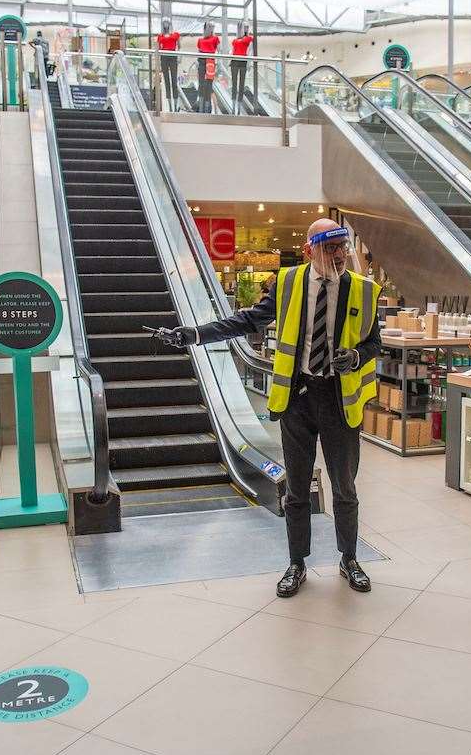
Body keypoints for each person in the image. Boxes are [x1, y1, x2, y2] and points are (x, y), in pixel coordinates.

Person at [151, 220, 381, 598]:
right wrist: (194, 335)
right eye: (330, 248)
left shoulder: (365, 290)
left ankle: (349, 558)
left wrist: (356, 356)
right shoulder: (289, 283)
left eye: (342, 247)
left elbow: (374, 343)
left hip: (340, 401)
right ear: (309, 251)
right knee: (296, 488)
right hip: (297, 399)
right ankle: (297, 563)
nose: (339, 255)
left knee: (344, 487)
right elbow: (247, 320)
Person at [230, 23, 254, 114]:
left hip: (243, 61)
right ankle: (233, 106)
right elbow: (232, 50)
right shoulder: (235, 40)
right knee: (234, 83)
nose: (246, 29)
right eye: (244, 27)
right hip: (234, 61)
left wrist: (249, 62)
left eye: (247, 27)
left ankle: (239, 108)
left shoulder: (249, 39)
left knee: (241, 84)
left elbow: (250, 51)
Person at [157, 19, 181, 112]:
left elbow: (179, 46)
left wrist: (179, 56)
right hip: (164, 57)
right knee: (166, 81)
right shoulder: (160, 36)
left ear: (170, 24)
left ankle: (175, 105)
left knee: (174, 81)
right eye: (164, 23)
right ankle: (170, 106)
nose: (165, 25)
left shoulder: (175, 35)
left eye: (167, 23)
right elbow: (159, 48)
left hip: (173, 56)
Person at [195, 23, 219, 114]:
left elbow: (219, 50)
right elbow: (199, 50)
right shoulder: (200, 40)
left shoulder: (215, 38)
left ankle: (208, 109)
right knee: (201, 85)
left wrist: (217, 63)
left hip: (210, 61)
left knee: (209, 86)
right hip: (201, 60)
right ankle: (201, 108)